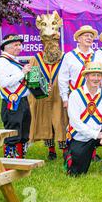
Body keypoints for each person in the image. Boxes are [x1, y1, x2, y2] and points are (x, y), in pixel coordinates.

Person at [59, 25, 102, 162]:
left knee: (94, 120)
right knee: (75, 123)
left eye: (91, 36)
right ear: (78, 38)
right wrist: (64, 98)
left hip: (95, 95)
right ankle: (71, 150)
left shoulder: (97, 55)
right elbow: (63, 78)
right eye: (85, 35)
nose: (89, 38)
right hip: (76, 96)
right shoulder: (69, 56)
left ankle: (92, 151)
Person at [64, 62, 102, 175]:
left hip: (99, 134)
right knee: (76, 174)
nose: (96, 78)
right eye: (93, 75)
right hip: (80, 137)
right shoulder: (75, 95)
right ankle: (69, 154)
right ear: (86, 76)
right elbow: (75, 122)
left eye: (99, 75)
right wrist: (97, 135)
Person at [28, 15, 68, 160]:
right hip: (43, 97)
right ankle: (51, 150)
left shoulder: (66, 58)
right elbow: (32, 81)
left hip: (60, 95)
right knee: (46, 122)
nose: (51, 44)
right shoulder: (35, 59)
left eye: (54, 41)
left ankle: (65, 150)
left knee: (61, 121)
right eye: (47, 41)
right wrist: (42, 89)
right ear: (42, 42)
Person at [0, 34, 32, 158]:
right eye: (16, 45)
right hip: (12, 102)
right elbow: (4, 83)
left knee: (24, 131)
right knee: (13, 132)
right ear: (6, 47)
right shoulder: (1, 62)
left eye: (20, 45)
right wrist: (22, 72)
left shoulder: (14, 61)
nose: (19, 47)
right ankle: (10, 161)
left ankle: (20, 158)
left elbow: (21, 82)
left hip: (22, 100)